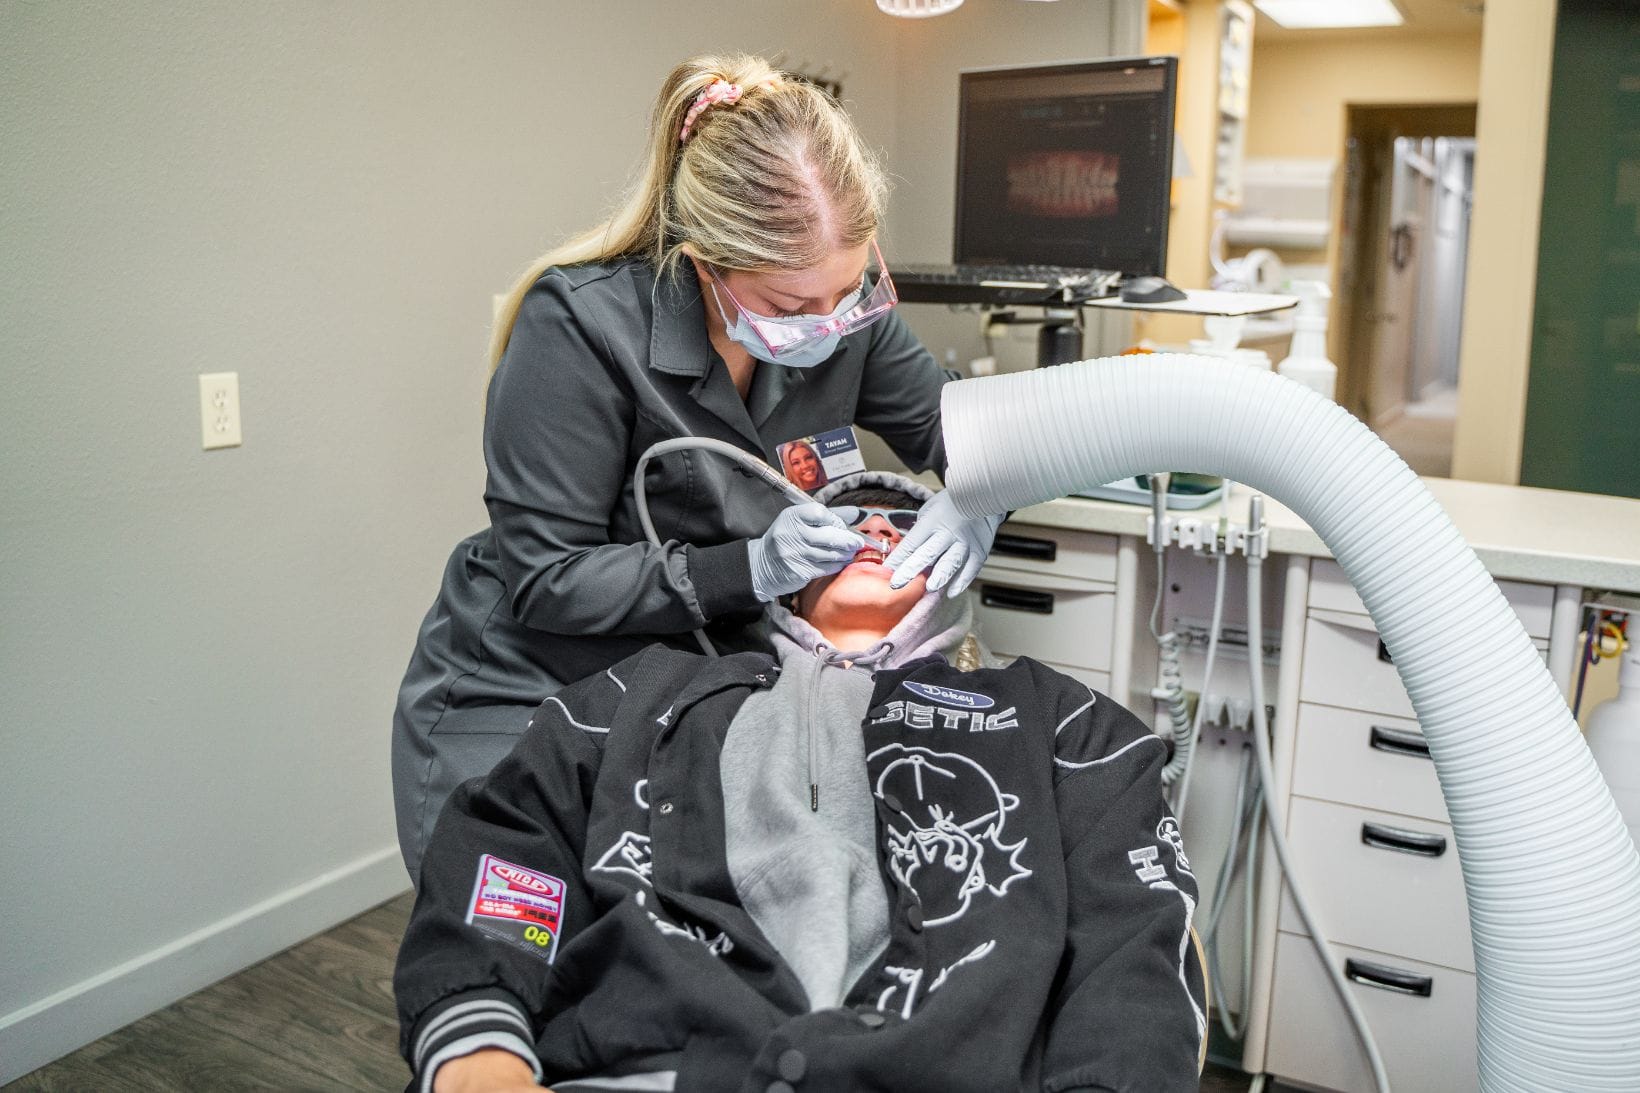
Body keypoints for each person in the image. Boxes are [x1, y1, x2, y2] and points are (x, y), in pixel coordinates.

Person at [391, 53, 1004, 880]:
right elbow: (548, 577)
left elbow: (973, 438)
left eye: (851, 291)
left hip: (695, 692)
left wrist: (988, 490)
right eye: (791, 307)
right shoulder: (581, 328)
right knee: (514, 957)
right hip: (531, 692)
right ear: (705, 261)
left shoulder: (842, 314)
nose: (830, 327)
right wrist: (748, 567)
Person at [395, 473, 1206, 1093]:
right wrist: (482, 1044)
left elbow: (1132, 943)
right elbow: (510, 848)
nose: (880, 528)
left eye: (908, 523)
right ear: (788, 567)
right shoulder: (646, 694)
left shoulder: (1062, 724)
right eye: (849, 521)